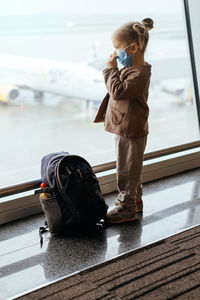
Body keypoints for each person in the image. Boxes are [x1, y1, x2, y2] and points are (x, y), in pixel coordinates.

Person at [93, 18, 153, 223]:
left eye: (117, 48)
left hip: (131, 128)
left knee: (126, 172)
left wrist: (110, 69)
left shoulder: (140, 74)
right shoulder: (132, 69)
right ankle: (135, 202)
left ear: (133, 47)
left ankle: (126, 209)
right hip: (126, 126)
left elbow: (117, 92)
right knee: (131, 168)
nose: (115, 53)